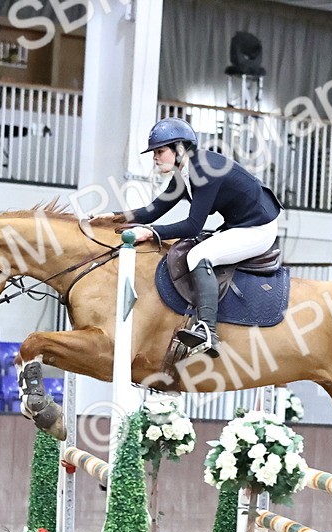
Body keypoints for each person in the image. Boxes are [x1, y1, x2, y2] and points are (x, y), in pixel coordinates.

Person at [91, 118, 282, 358]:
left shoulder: (202, 169)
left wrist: (151, 232)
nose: (155, 157)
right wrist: (114, 217)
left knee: (199, 255)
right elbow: (154, 209)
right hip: (240, 224)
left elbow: (192, 226)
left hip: (258, 229)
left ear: (179, 148)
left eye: (160, 151)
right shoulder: (187, 171)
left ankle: (208, 332)